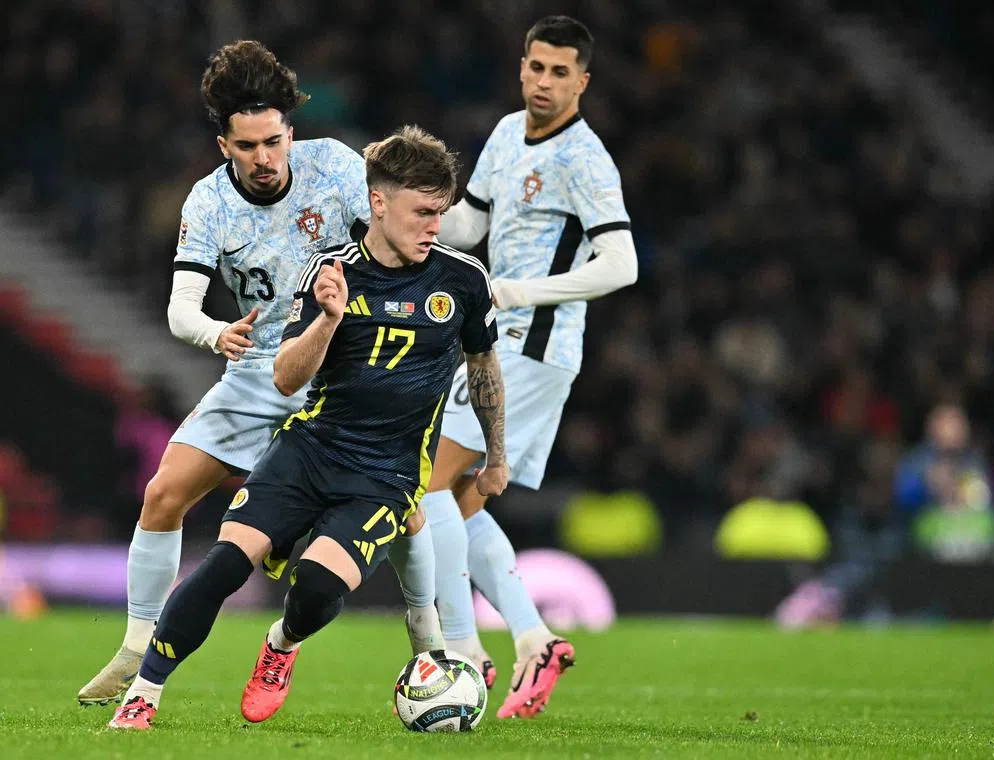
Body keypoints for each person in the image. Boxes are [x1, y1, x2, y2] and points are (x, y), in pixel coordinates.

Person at [107, 125, 507, 730]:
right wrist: (326, 319)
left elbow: (484, 370)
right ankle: (144, 692)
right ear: (379, 202)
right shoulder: (332, 270)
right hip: (310, 449)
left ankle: (283, 644)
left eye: (441, 212)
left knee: (317, 586)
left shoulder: (462, 280)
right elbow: (287, 380)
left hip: (385, 474)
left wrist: (496, 455)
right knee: (222, 564)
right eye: (423, 212)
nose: (435, 225)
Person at [78, 40, 389, 705]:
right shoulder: (208, 204)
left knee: (415, 513)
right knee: (164, 494)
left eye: (273, 141)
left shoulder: (334, 167)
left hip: (342, 368)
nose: (264, 157)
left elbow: (392, 257)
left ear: (290, 132)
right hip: (257, 370)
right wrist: (218, 332)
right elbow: (179, 311)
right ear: (225, 145)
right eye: (247, 146)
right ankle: (136, 648)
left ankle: (438, 647)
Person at [424, 15, 638, 718]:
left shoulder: (586, 159)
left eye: (559, 71)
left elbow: (621, 265)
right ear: (522, 68)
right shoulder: (506, 132)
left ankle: (461, 650)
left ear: (583, 80)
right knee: (456, 502)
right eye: (535, 67)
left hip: (535, 348)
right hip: (492, 340)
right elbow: (470, 227)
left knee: (426, 484)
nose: (544, 82)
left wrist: (523, 290)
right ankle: (532, 638)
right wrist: (408, 212)